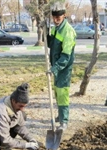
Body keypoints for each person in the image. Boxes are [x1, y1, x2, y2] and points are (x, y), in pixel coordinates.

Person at [47, 1, 76, 130]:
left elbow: (66, 56)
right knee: (57, 92)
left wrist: (55, 68)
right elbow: (50, 45)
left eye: (58, 17)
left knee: (62, 93)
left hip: (64, 68)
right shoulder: (55, 28)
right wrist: (45, 30)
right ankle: (59, 115)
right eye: (53, 17)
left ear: (64, 15)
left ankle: (64, 121)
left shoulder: (68, 31)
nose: (55, 20)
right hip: (56, 66)